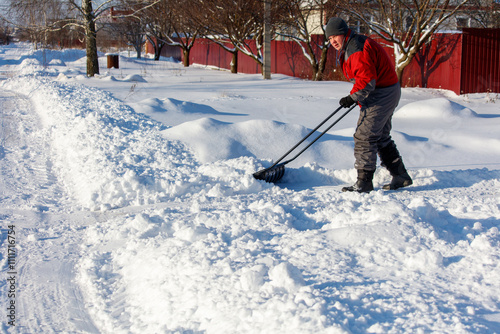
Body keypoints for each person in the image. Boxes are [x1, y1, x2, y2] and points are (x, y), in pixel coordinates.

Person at [325, 17, 412, 193]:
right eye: (329, 38)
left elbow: (367, 81)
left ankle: (364, 182)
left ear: (343, 33)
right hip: (385, 91)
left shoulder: (355, 48)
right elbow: (364, 78)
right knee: (379, 136)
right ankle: (400, 176)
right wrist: (355, 96)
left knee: (364, 136)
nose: (333, 41)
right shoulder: (351, 44)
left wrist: (352, 97)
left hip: (382, 93)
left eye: (335, 36)